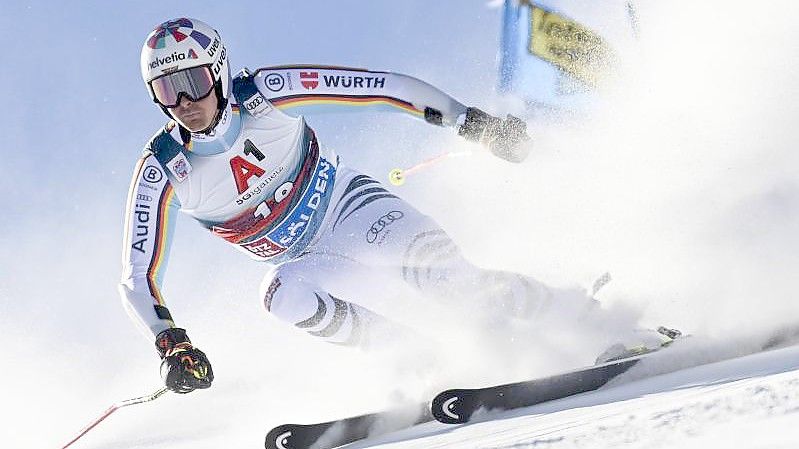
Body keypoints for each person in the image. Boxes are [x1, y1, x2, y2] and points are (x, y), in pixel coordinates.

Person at [120, 18, 668, 395]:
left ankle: (596, 324)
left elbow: (382, 87)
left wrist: (470, 122)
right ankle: (430, 362)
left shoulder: (267, 91)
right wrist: (172, 344)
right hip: (312, 257)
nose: (185, 102)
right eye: (167, 91)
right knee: (281, 296)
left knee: (454, 284)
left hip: (351, 211)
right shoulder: (164, 168)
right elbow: (136, 276)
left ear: (216, 70)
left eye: (192, 81)